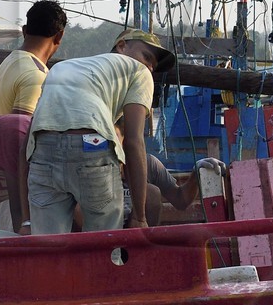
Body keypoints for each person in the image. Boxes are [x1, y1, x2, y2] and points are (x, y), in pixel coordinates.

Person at [26, 28, 175, 234]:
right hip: (91, 147)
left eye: (153, 66)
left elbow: (33, 128)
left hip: (42, 149)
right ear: (122, 46)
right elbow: (133, 141)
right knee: (106, 245)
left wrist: (24, 220)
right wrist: (139, 217)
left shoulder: (64, 66)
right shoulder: (139, 71)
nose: (149, 67)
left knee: (48, 248)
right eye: (147, 57)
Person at [0, 0, 68, 116]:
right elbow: (19, 131)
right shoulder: (36, 76)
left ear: (24, 30)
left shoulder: (8, 61)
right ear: (59, 36)